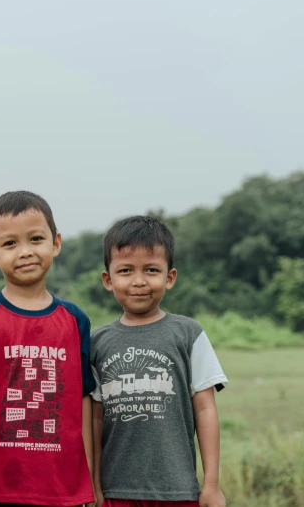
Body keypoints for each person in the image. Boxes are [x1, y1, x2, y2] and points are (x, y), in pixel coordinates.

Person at [0, 191, 96, 507]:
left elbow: (82, 400)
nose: (25, 252)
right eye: (10, 244)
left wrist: (87, 481)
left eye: (35, 239)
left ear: (55, 243)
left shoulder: (75, 320)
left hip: (62, 489)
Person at [90, 216, 228, 507]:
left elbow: (205, 410)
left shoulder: (188, 333)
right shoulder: (96, 343)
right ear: (108, 279)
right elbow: (93, 419)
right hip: (116, 490)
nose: (139, 281)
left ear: (170, 277)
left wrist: (212, 485)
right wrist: (94, 485)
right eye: (125, 270)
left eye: (151, 270)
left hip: (178, 490)